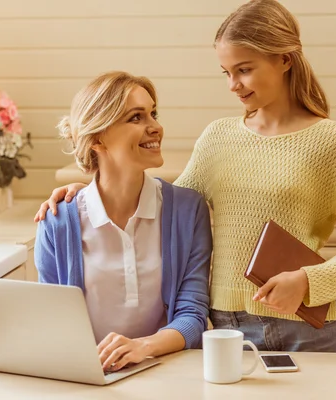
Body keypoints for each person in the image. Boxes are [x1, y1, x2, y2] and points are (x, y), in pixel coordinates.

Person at [34, 0, 336, 353]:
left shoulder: (334, 142)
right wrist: (89, 191)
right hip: (227, 330)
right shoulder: (218, 138)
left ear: (284, 60)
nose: (233, 85)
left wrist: (307, 281)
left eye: (244, 69)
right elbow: (164, 205)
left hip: (306, 329)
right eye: (226, 72)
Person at [34, 71, 212, 372]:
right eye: (136, 117)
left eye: (153, 114)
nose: (155, 127)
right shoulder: (57, 222)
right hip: (91, 380)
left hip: (168, 372)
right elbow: (53, 323)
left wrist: (142, 347)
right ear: (97, 138)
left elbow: (192, 316)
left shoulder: (187, 209)